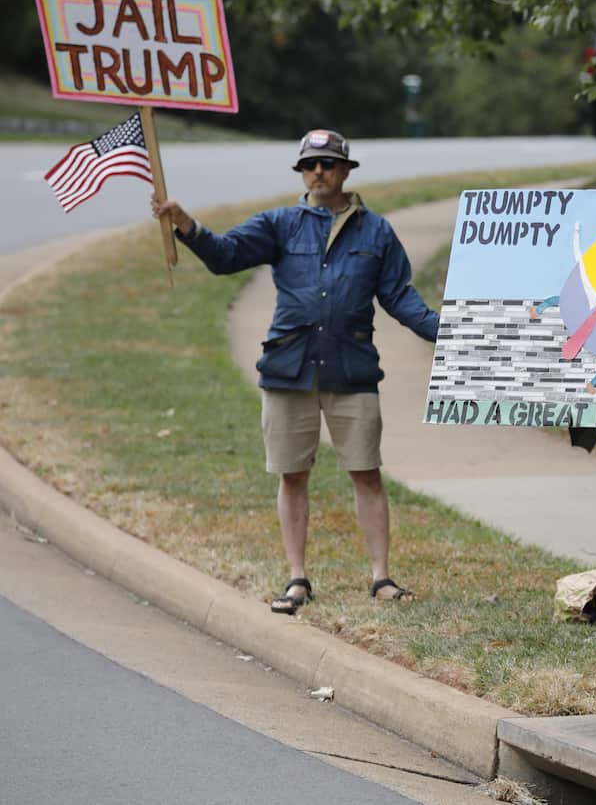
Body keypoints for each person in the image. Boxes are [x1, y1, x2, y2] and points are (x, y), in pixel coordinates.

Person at [151, 129, 439, 614]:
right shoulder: (280, 224)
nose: (319, 172)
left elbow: (400, 299)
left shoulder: (377, 232)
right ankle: (296, 578)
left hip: (352, 369)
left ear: (346, 170)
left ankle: (382, 577)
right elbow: (225, 258)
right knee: (292, 475)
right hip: (289, 369)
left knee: (366, 472)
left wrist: (450, 333)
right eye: (310, 165)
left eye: (328, 163)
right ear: (301, 173)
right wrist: (185, 224)